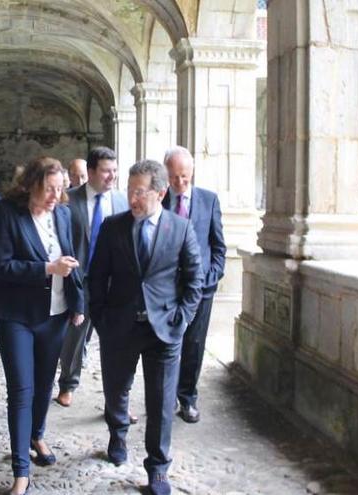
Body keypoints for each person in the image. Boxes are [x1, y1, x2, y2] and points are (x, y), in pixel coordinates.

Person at [89, 159, 202, 495]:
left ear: (160, 192)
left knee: (161, 401)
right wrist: (100, 317)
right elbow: (97, 277)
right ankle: (118, 434)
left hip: (164, 330)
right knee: (116, 389)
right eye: (130, 191)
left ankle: (157, 468)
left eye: (140, 193)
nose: (133, 199)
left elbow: (195, 279)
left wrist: (181, 319)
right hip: (119, 326)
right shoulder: (113, 226)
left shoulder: (179, 228)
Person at [0, 157, 85, 495]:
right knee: (21, 390)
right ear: (30, 184)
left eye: (60, 190)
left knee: (45, 386)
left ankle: (37, 435)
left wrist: (78, 303)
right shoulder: (6, 212)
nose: (55, 197)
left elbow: (74, 259)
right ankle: (21, 472)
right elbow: (2, 266)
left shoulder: (63, 213)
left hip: (56, 315)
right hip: (16, 315)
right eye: (49, 190)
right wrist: (47, 268)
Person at [56, 147, 127, 408]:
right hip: (79, 281)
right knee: (74, 338)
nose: (112, 177)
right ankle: (68, 384)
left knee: (117, 342)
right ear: (92, 172)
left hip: (113, 284)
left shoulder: (121, 202)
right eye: (107, 171)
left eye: (115, 171)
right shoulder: (69, 200)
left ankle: (117, 397)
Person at [162, 146, 226, 424]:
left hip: (201, 289)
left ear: (192, 173)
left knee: (195, 344)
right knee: (166, 342)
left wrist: (210, 278)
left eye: (184, 177)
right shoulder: (160, 201)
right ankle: (165, 397)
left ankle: (187, 398)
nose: (179, 183)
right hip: (167, 289)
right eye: (174, 177)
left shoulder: (208, 200)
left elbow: (218, 246)